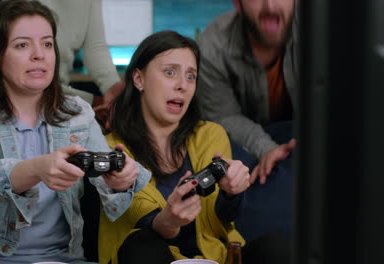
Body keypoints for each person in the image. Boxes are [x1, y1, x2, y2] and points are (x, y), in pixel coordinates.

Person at [0, 1, 150, 263]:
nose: (39, 55)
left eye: (46, 44)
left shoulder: (78, 112)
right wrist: (38, 169)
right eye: (22, 45)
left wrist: (122, 180)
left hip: (63, 258)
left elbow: (108, 180)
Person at [98, 30, 288, 264]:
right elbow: (139, 216)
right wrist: (169, 220)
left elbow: (225, 217)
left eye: (191, 76)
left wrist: (231, 192)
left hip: (212, 257)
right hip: (151, 256)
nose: (182, 85)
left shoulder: (210, 134)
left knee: (278, 248)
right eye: (170, 72)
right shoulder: (112, 148)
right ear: (139, 79)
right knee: (142, 247)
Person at [196, 0, 298, 241]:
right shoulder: (213, 44)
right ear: (238, 4)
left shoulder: (321, 32)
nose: (270, 5)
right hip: (242, 141)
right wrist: (267, 149)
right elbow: (223, 116)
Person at [37, 0, 125, 128]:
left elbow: (95, 47)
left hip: (60, 104)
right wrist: (90, 102)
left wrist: (113, 88)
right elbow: (28, 81)